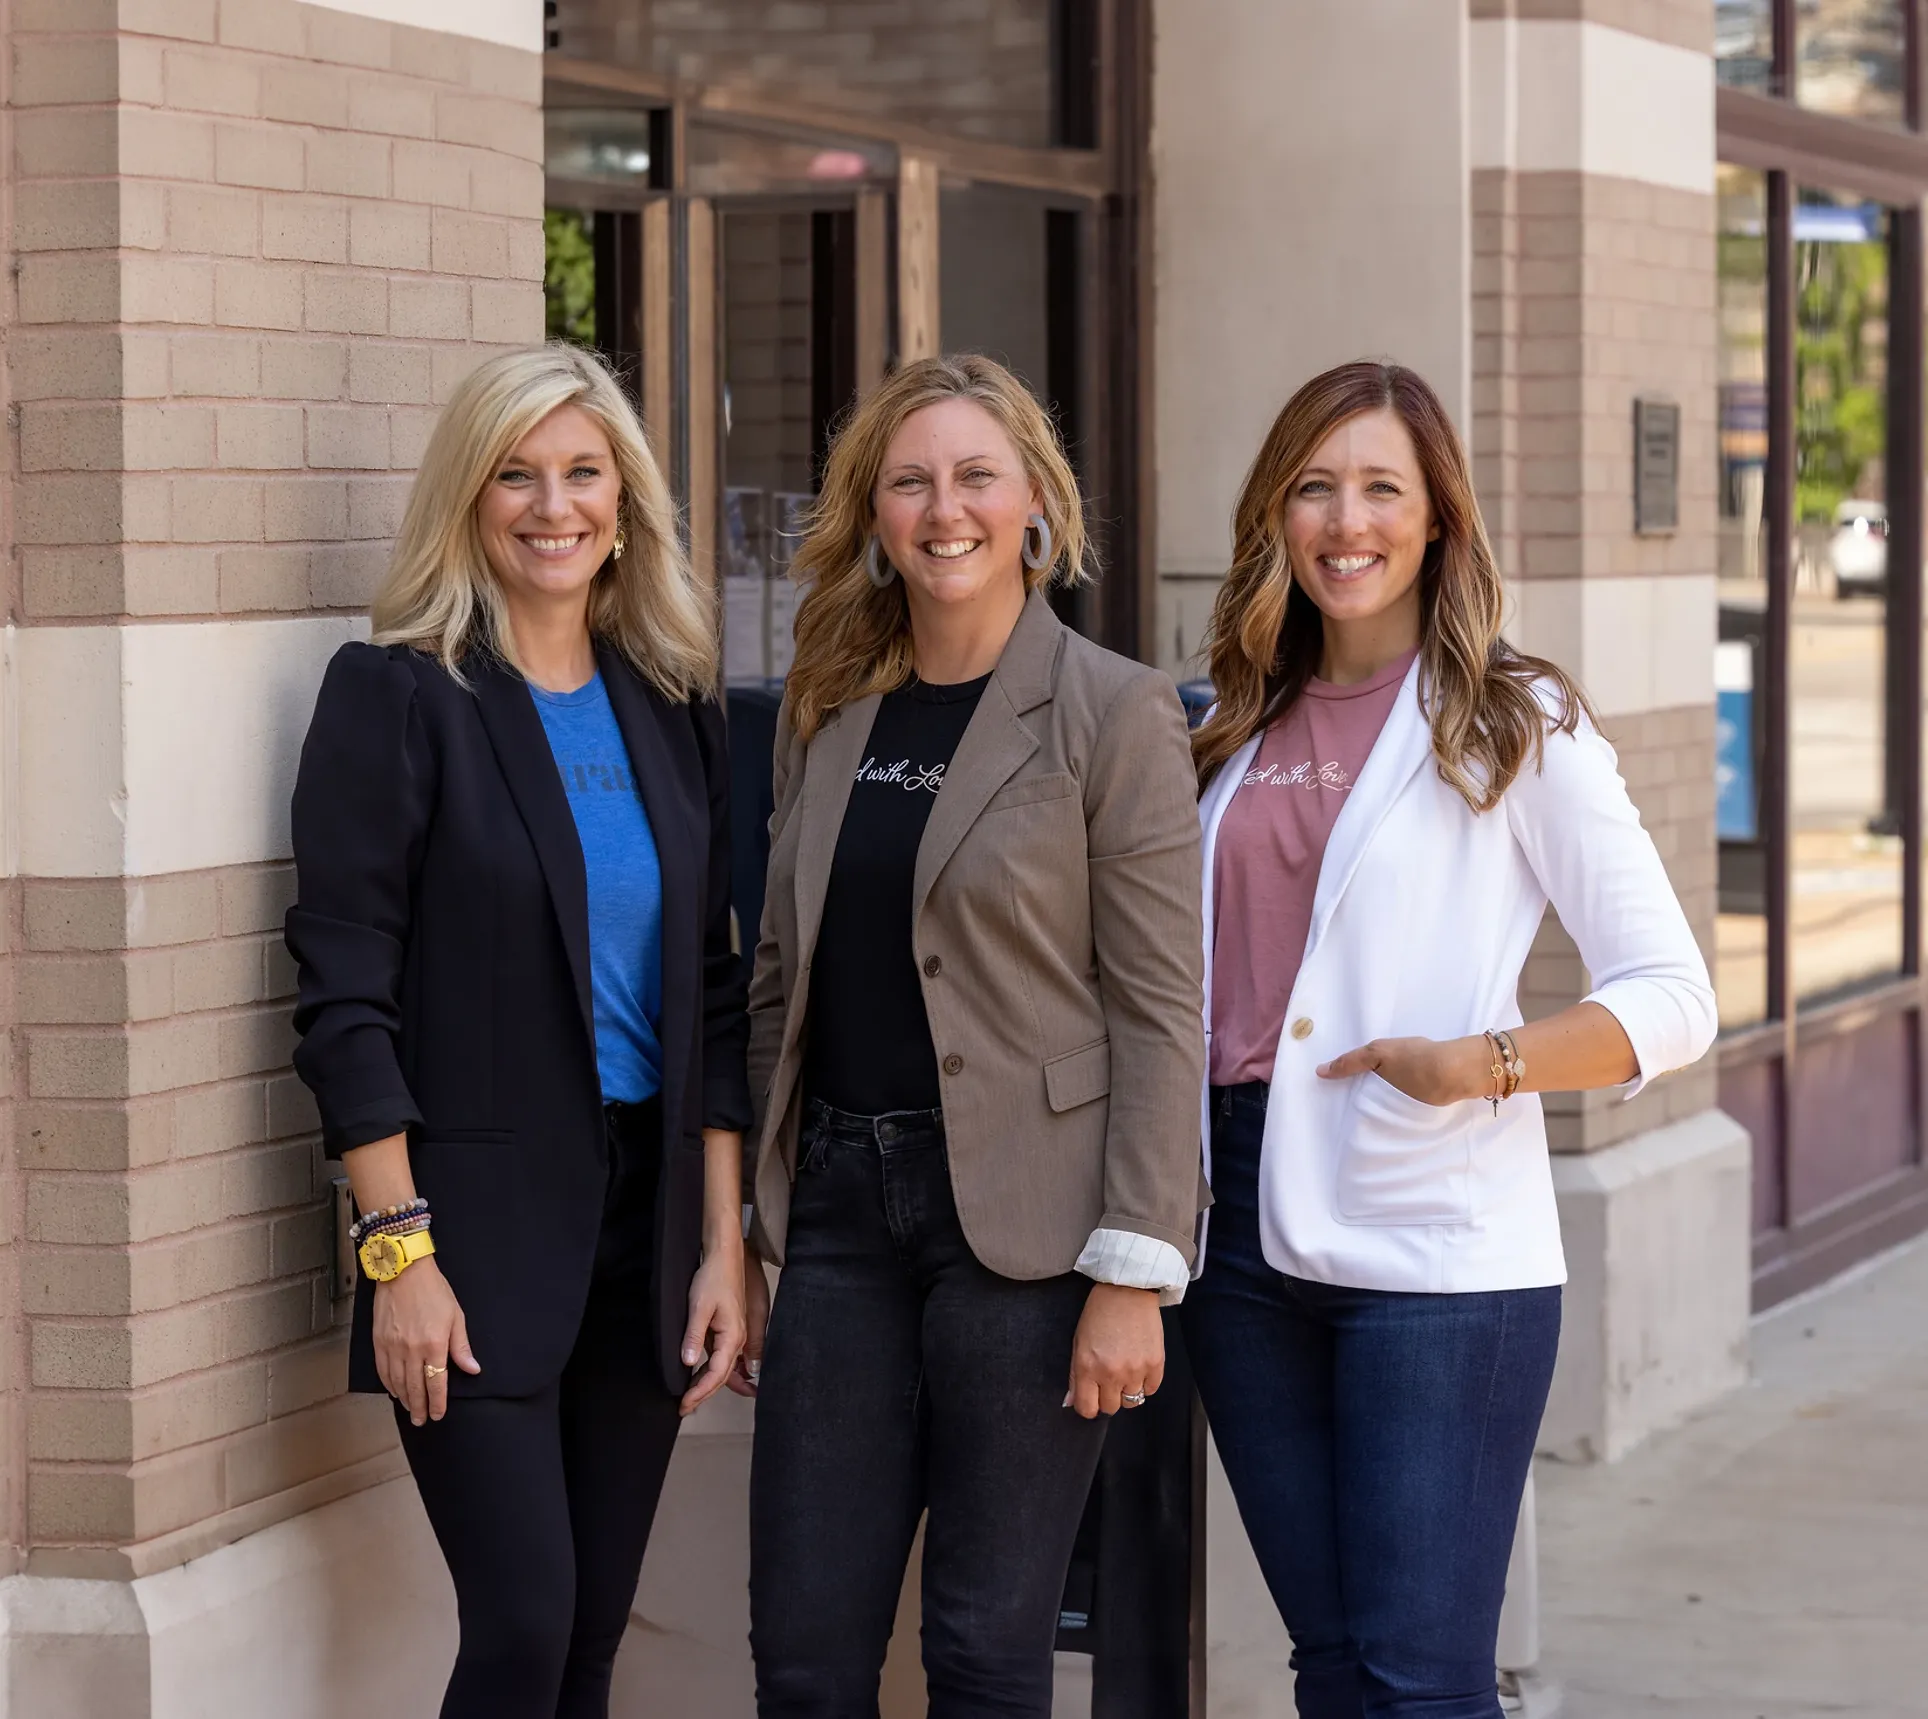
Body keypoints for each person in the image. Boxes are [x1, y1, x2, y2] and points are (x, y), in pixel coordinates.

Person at [1181, 360, 1717, 1718]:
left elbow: (1670, 993)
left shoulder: (1512, 718)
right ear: (1274, 517)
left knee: (1423, 1676)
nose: (1344, 521)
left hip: (1437, 1245)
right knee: (1336, 1662)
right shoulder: (1229, 722)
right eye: (1313, 487)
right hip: (1234, 1232)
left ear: (1436, 523)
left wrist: (1483, 1061)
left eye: (1379, 488)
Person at [285, 344, 751, 1719]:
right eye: (516, 474)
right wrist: (399, 1251)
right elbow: (343, 992)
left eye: (583, 472)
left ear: (626, 500)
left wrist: (724, 1247)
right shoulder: (399, 696)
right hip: (468, 1240)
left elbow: (711, 995)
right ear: (469, 497)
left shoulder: (672, 708)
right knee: (523, 1624)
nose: (553, 505)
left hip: (645, 1238)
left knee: (592, 1637)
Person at [737, 353, 1206, 1718]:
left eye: (977, 476)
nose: (948, 509)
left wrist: (1136, 1267)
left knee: (987, 1654)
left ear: (1035, 507)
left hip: (1030, 1232)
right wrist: (765, 1212)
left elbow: (1162, 1001)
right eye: (912, 480)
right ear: (875, 517)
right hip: (835, 1220)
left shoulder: (1112, 712)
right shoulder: (829, 712)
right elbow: (779, 973)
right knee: (806, 1651)